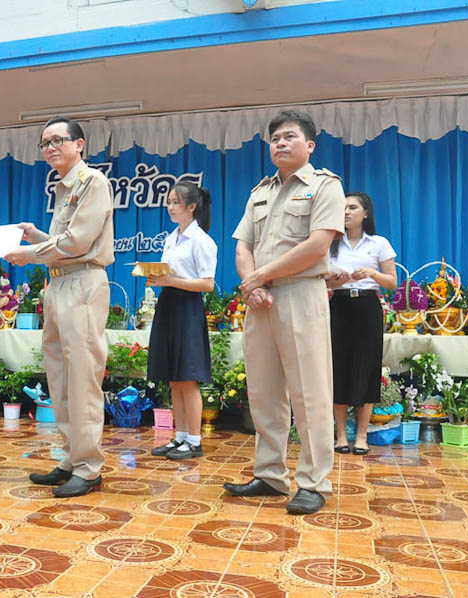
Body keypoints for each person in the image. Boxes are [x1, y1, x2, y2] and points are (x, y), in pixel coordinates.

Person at [223, 110, 346, 515]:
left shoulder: (325, 186)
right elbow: (243, 246)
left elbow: (317, 245)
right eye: (274, 138)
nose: (280, 143)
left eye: (289, 137)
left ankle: (314, 482)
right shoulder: (260, 192)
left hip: (300, 294)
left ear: (309, 145)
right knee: (263, 392)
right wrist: (253, 284)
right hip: (260, 301)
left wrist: (261, 276)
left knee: (309, 393)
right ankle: (270, 474)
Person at [5, 116, 114, 498]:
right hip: (60, 284)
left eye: (58, 140)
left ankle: (88, 467)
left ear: (79, 144)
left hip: (83, 282)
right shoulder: (65, 187)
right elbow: (62, 241)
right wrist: (36, 236)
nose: (50, 148)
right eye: (45, 143)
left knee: (82, 378)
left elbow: (79, 242)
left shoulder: (92, 182)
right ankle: (71, 458)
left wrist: (30, 252)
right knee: (61, 378)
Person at [146, 182, 217, 460]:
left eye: (176, 202)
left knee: (188, 377)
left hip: (188, 308)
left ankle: (195, 441)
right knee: (174, 379)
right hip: (168, 305)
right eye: (168, 202)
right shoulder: (171, 238)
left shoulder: (201, 241)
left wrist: (170, 281)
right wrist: (157, 278)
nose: (171, 207)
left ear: (191, 207)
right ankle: (180, 436)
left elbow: (207, 284)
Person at [327, 192, 397, 455]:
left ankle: (362, 436)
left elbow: (392, 282)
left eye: (352, 207)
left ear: (365, 213)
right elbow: (320, 280)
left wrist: (372, 273)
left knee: (366, 368)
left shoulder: (378, 243)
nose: (346, 212)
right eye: (343, 208)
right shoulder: (331, 243)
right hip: (339, 306)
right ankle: (341, 436)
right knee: (338, 368)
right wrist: (335, 280)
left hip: (368, 307)